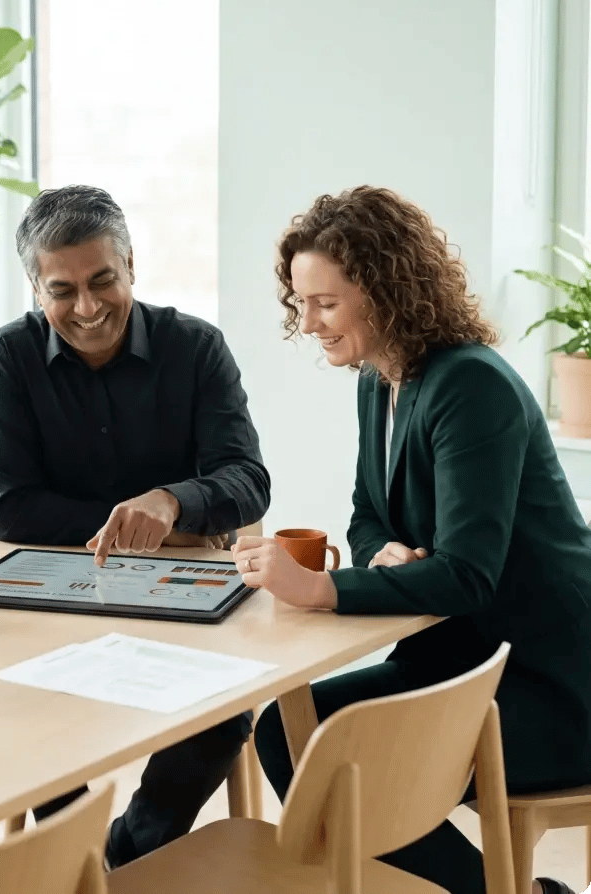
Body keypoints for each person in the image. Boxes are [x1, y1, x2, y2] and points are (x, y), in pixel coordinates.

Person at [232, 186, 590, 894]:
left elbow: (468, 577)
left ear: (386, 291)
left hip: (551, 682)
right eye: (300, 303)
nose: (308, 323)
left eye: (325, 303)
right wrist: (380, 555)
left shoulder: (470, 386)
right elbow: (369, 513)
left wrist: (320, 587)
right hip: (462, 662)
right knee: (287, 732)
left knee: (356, 761)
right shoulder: (379, 380)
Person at [0, 184, 271, 868]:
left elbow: (248, 481)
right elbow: (10, 507)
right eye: (61, 289)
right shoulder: (7, 358)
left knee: (222, 713)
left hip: (180, 596)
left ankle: (130, 852)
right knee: (35, 715)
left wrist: (169, 501)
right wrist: (164, 528)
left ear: (131, 264)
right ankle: (68, 861)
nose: (86, 307)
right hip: (53, 600)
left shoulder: (196, 347)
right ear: (35, 288)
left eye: (103, 280)